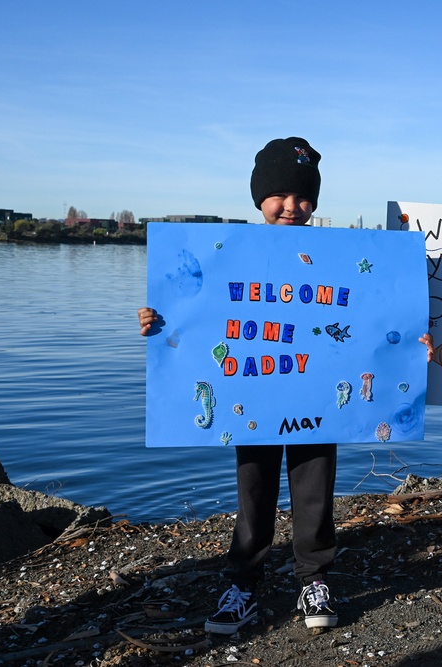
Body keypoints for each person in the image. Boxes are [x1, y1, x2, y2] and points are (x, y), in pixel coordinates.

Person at [138, 138, 339, 634]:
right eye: (280, 195)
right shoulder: (230, 254)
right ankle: (244, 583)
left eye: (303, 197)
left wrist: (406, 340)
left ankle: (314, 578)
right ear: (258, 198)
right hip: (252, 393)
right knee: (254, 485)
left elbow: (372, 309)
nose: (291, 206)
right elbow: (194, 307)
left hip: (315, 393)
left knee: (315, 484)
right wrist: (158, 322)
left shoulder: (335, 255)